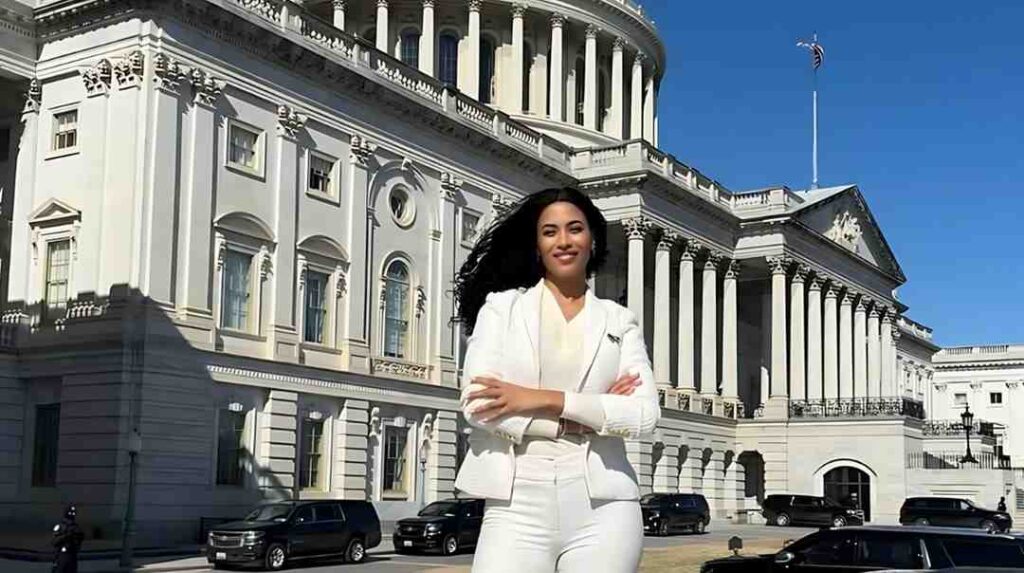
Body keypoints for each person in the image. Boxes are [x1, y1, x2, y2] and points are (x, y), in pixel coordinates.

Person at [453, 187, 660, 573]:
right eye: (550, 232)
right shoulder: (503, 308)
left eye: (575, 229)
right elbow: (479, 404)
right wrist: (594, 412)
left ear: (592, 239)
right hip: (516, 503)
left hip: (605, 506)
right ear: (537, 244)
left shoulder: (619, 321)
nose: (563, 241)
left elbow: (644, 414)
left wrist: (539, 398)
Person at [52, 504, 84, 573]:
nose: (72, 514)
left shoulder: (76, 528)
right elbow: (54, 542)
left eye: (73, 513)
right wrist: (65, 536)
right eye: (70, 512)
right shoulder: (60, 527)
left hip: (72, 555)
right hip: (61, 555)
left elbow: (79, 542)